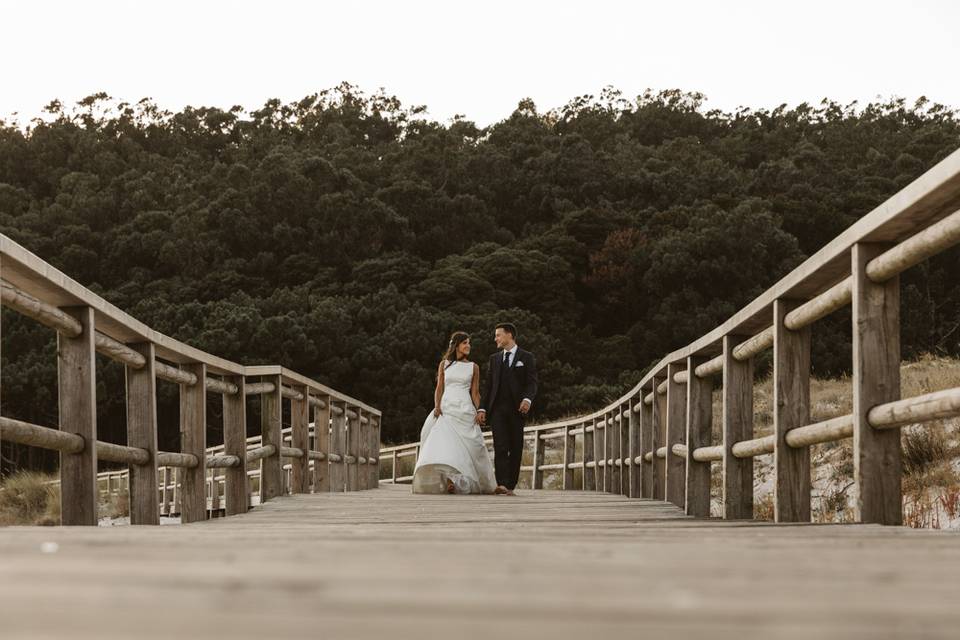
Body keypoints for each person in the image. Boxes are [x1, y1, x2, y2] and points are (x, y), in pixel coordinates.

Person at [412, 331, 497, 494]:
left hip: (465, 408)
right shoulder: (444, 364)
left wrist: (480, 410)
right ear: (456, 345)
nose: (468, 346)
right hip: (447, 408)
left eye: (469, 343)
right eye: (465, 343)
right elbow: (439, 388)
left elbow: (475, 393)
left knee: (474, 445)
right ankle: (451, 481)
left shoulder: (474, 367)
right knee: (448, 444)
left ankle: (475, 480)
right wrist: (437, 406)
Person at [477, 322, 538, 496]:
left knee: (516, 446)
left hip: (518, 410)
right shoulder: (494, 359)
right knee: (501, 446)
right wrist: (482, 409)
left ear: (509, 335)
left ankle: (511, 485)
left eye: (498, 335)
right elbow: (488, 387)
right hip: (497, 410)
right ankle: (502, 484)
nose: (495, 338)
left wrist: (527, 399)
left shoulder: (526, 357)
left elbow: (532, 383)